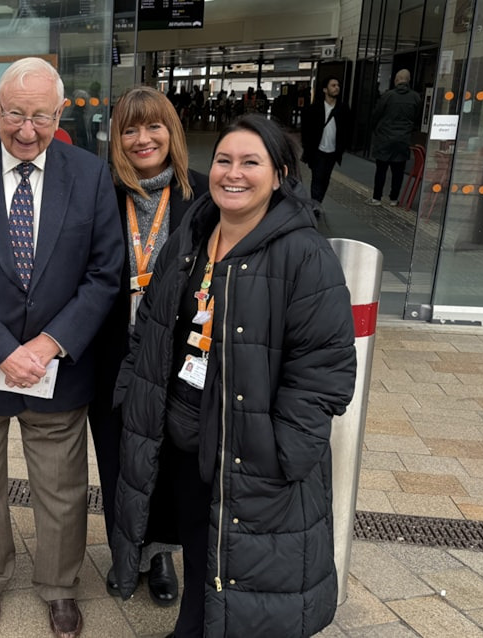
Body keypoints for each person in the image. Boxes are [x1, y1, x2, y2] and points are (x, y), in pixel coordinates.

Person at [110, 114, 357, 637]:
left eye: (251, 162)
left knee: (250, 568)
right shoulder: (193, 235)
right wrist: (134, 392)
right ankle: (192, 626)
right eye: (223, 160)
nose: (233, 173)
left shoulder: (304, 253)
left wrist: (283, 449)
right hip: (185, 432)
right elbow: (152, 325)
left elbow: (324, 369)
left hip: (251, 444)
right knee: (202, 546)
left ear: (280, 173)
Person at [0, 57, 122, 638]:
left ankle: (60, 586)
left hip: (57, 367)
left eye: (40, 115)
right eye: (15, 114)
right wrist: (1, 349)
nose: (27, 129)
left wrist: (50, 343)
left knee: (61, 486)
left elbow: (105, 273)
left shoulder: (89, 176)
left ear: (60, 113)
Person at [89, 86, 209, 607]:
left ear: (172, 131)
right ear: (116, 138)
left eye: (153, 126)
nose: (143, 139)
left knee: (168, 460)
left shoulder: (202, 196)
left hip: (178, 354)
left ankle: (160, 555)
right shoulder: (100, 194)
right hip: (112, 351)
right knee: (116, 457)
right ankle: (124, 556)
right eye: (130, 129)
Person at [369, 69, 421, 205]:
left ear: (396, 80)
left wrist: (376, 130)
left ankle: (376, 198)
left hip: (385, 138)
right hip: (403, 139)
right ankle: (394, 199)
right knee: (398, 171)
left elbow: (376, 114)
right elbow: (417, 117)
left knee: (381, 170)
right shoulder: (415, 97)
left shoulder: (388, 96)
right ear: (408, 80)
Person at [300, 76, 352, 205]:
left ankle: (318, 202)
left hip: (333, 151)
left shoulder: (343, 109)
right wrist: (307, 147)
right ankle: (315, 205)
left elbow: (348, 129)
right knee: (317, 178)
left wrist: (343, 146)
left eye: (338, 85)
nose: (336, 88)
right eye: (333, 85)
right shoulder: (314, 109)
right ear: (325, 89)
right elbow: (306, 130)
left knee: (326, 178)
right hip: (317, 150)